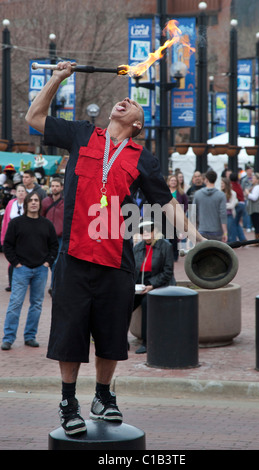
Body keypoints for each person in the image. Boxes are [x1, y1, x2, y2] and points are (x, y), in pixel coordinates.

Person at [25, 60, 205, 436]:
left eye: (133, 103)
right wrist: (58, 77)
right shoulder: (82, 134)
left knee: (111, 336)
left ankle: (103, 396)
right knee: (69, 335)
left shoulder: (143, 159)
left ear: (137, 124)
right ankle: (69, 402)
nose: (124, 99)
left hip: (116, 260)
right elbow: (35, 116)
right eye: (122, 99)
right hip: (73, 257)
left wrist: (194, 234)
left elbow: (166, 201)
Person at [1, 192, 58, 351]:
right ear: (26, 203)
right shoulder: (16, 223)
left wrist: (48, 262)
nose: (34, 203)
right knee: (15, 304)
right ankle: (8, 338)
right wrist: (16, 263)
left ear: (40, 204)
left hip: (40, 270)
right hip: (21, 270)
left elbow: (54, 245)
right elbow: (8, 245)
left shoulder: (46, 224)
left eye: (36, 201)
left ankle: (30, 336)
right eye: (31, 200)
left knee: (36, 305)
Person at [133, 218, 175, 354]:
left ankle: (147, 342)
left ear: (155, 231)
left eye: (148, 230)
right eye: (142, 230)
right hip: (140, 286)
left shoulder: (165, 246)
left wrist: (151, 285)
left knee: (147, 303)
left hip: (159, 285)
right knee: (123, 304)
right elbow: (133, 270)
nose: (145, 233)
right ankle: (120, 340)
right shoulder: (137, 248)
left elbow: (168, 272)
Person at [1, 184, 27, 291]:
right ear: (15, 193)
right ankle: (11, 283)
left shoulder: (28, 204)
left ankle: (23, 282)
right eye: (19, 191)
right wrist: (3, 237)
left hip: (25, 237)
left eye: (22, 191)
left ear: (26, 193)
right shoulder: (11, 204)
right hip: (12, 235)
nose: (21, 193)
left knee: (24, 259)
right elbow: (5, 221)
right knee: (12, 259)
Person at [41, 177, 64, 294]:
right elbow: (41, 217)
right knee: (44, 261)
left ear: (61, 187)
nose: (54, 188)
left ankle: (53, 286)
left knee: (56, 262)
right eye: (53, 186)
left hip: (60, 237)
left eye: (56, 186)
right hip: (46, 237)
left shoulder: (65, 202)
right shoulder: (45, 202)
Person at [193, 169, 227, 242]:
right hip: (216, 230)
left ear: (206, 179)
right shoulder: (221, 195)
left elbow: (193, 213)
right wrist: (225, 232)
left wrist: (193, 231)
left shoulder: (197, 194)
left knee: (203, 252)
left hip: (202, 229)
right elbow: (223, 214)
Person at [167, 174, 188, 260]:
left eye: (175, 181)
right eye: (171, 180)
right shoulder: (165, 191)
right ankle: (167, 255)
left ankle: (175, 255)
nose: (173, 182)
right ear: (168, 182)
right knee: (167, 236)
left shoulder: (181, 193)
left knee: (175, 237)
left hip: (177, 217)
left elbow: (186, 204)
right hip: (166, 216)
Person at [244, 173, 259, 245]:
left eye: (253, 178)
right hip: (257, 208)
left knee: (256, 224)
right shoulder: (256, 187)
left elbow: (254, 197)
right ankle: (258, 240)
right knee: (257, 224)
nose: (252, 179)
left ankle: (257, 241)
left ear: (257, 180)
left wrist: (247, 193)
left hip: (257, 208)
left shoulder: (257, 187)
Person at [229, 173, 246, 243]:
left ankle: (233, 240)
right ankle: (242, 238)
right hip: (242, 204)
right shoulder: (238, 185)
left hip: (237, 205)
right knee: (236, 223)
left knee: (233, 223)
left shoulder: (231, 186)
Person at [221, 177, 238, 243]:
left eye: (222, 183)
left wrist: (221, 206)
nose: (221, 185)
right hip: (221, 216)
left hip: (229, 215)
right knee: (223, 232)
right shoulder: (219, 193)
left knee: (229, 231)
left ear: (226, 184)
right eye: (220, 183)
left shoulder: (233, 193)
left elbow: (232, 205)